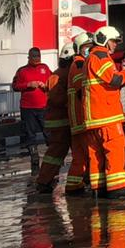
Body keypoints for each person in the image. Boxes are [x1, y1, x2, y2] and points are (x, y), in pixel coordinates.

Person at [85, 26, 125, 196]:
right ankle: (118, 188)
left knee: (96, 155)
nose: (115, 45)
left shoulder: (91, 57)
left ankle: (98, 188)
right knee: (115, 149)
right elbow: (113, 79)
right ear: (104, 41)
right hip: (107, 116)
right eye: (113, 41)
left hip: (95, 118)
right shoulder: (101, 56)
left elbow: (104, 84)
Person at [35, 42, 76, 193]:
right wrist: (72, 100)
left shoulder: (58, 74)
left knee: (57, 153)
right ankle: (44, 181)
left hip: (61, 121)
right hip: (62, 122)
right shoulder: (61, 75)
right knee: (57, 153)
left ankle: (46, 181)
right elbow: (57, 99)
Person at [64, 30, 94, 196]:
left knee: (80, 157)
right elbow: (82, 89)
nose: (88, 50)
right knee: (86, 154)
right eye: (86, 47)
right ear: (78, 49)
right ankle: (76, 186)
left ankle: (74, 186)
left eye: (91, 46)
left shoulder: (80, 63)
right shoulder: (79, 65)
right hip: (81, 120)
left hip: (79, 120)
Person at [12, 47, 53, 154]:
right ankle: (33, 156)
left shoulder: (45, 68)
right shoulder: (22, 70)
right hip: (27, 108)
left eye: (38, 56)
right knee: (30, 135)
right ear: (29, 57)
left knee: (48, 132)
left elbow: (53, 81)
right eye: (34, 56)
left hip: (43, 107)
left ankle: (54, 154)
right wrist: (27, 85)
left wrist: (46, 86)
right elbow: (15, 86)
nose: (36, 59)